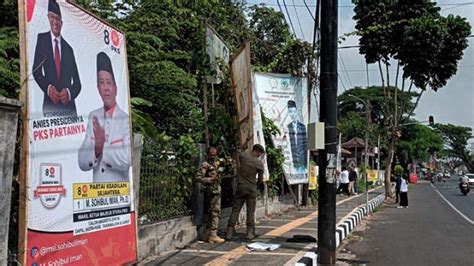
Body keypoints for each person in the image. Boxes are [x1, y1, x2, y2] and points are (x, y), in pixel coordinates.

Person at [78, 52, 131, 182]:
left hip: (118, 196)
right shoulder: (93, 117)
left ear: (115, 88)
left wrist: (102, 148)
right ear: (98, 88)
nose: (106, 88)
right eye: (102, 83)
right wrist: (95, 150)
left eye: (109, 82)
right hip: (97, 197)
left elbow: (127, 159)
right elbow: (82, 161)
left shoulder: (125, 120)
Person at [32, 0, 81, 117]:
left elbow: (77, 84)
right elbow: (36, 71)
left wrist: (69, 93)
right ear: (48, 18)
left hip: (69, 110)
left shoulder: (69, 49)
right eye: (52, 17)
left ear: (62, 23)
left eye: (58, 19)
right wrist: (48, 88)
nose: (55, 22)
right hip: (50, 108)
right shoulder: (41, 40)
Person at [226, 142, 265, 241]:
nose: (260, 155)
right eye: (260, 154)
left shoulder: (243, 157)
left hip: (240, 187)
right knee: (250, 211)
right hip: (251, 189)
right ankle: (249, 233)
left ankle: (229, 233)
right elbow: (260, 179)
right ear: (258, 152)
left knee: (235, 210)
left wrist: (245, 142)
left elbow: (239, 150)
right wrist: (257, 185)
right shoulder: (259, 164)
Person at [196, 146, 225, 244]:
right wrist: (210, 180)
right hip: (211, 191)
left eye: (215, 155)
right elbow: (199, 178)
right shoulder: (205, 164)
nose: (213, 157)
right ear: (208, 155)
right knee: (214, 212)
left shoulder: (217, 163)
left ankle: (208, 234)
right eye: (212, 155)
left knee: (212, 212)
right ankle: (213, 235)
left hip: (216, 190)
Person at [287, 100, 307, 174]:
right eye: (290, 112)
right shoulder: (288, 126)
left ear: (296, 111)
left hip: (302, 161)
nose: (292, 114)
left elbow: (305, 144)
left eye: (293, 111)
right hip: (293, 161)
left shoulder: (302, 127)